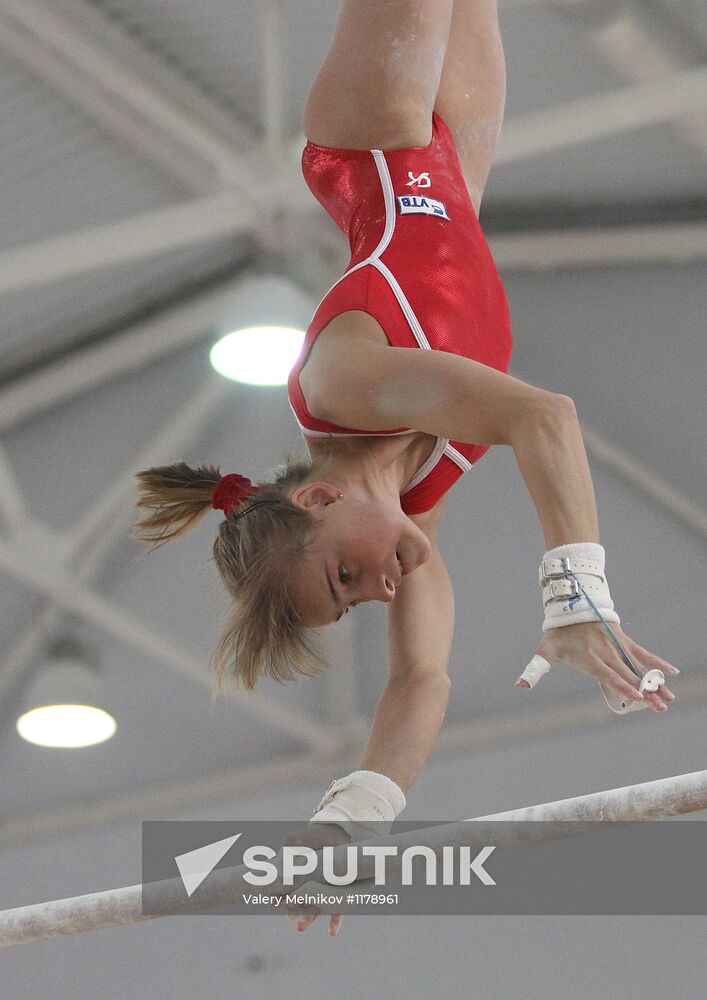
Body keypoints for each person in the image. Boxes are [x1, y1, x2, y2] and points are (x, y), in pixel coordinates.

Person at [133, 0, 679, 935]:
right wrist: (353, 819)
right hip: (453, 174)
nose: (379, 589)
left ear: (316, 495)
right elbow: (418, 682)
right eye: (354, 603)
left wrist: (578, 604)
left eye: (343, 575)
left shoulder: (340, 383)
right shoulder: (415, 507)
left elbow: (543, 418)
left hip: (372, 138)